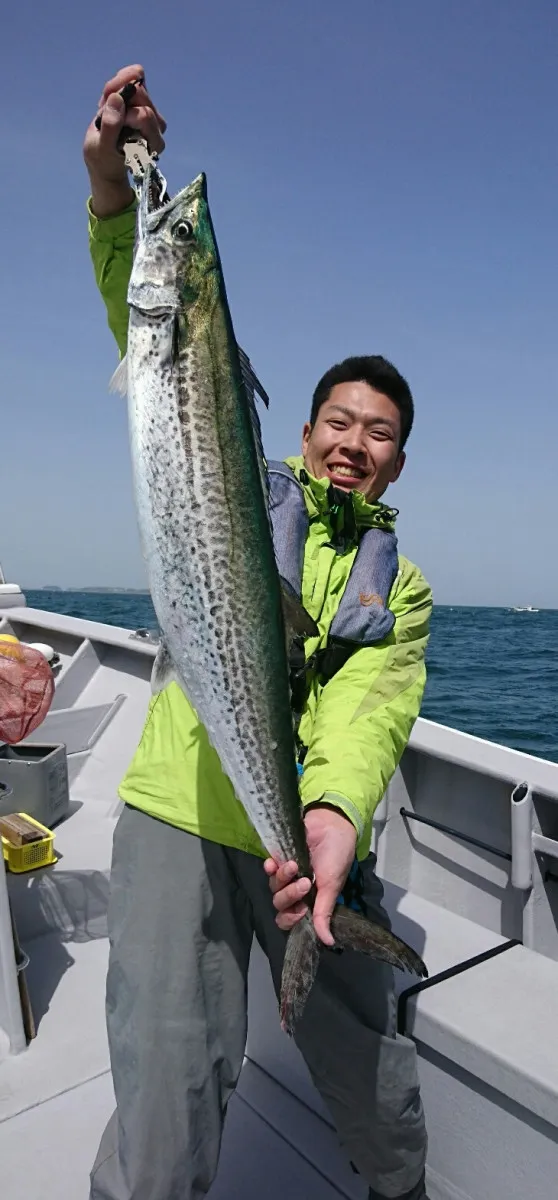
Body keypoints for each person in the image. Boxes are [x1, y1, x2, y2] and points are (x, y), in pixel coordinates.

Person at [84, 64, 432, 1200]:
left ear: (397, 458)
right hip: (179, 805)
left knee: (382, 1097)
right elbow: (150, 331)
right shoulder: (243, 475)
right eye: (338, 417)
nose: (354, 441)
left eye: (380, 432)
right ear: (308, 425)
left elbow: (368, 715)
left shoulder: (404, 587)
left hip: (304, 841)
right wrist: (114, 196)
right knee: (165, 1094)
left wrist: (329, 820)